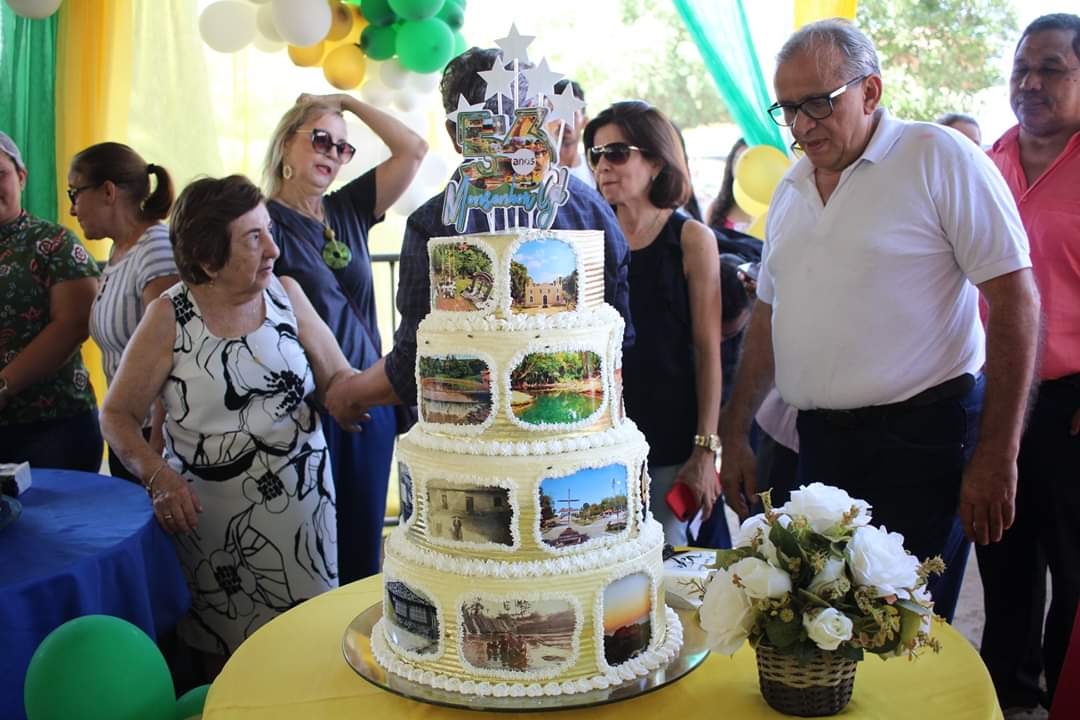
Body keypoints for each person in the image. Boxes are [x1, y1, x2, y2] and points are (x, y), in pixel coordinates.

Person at [718, 19, 1040, 624]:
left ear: (870, 92)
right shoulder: (791, 188)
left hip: (923, 440)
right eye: (787, 108)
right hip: (820, 445)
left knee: (900, 627)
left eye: (818, 102)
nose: (801, 124)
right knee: (825, 625)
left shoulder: (938, 157)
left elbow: (1016, 301)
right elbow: (767, 314)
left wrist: (999, 452)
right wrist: (734, 432)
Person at [101, 175, 358, 676]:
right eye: (253, 238)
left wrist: (387, 383)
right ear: (206, 256)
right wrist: (160, 477)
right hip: (213, 529)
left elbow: (339, 377)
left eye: (268, 231)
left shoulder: (287, 293)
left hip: (303, 512)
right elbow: (116, 415)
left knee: (308, 650)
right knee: (229, 663)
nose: (274, 249)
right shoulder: (169, 316)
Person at [328, 48, 634, 436]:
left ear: (458, 136)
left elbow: (413, 368)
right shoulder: (593, 209)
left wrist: (348, 392)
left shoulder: (434, 222)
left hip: (485, 447)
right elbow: (626, 337)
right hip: (582, 439)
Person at [263, 92, 427, 583]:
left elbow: (413, 149)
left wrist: (348, 104)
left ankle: (354, 641)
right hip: (303, 406)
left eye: (343, 148)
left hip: (368, 400)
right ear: (286, 143)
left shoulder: (347, 209)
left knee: (359, 543)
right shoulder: (261, 222)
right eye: (320, 139)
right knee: (307, 542)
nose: (332, 154)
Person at [979, 13, 1080, 715]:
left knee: (1073, 571)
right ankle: (1006, 695)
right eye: (1022, 69)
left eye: (1051, 68)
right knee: (1003, 558)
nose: (1031, 83)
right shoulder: (989, 160)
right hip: (995, 397)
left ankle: (1061, 694)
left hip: (1073, 403)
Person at [584, 100, 724, 547]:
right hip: (601, 448)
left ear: (657, 161)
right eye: (596, 154)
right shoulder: (588, 240)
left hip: (671, 443)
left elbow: (708, 352)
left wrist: (705, 450)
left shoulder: (691, 239)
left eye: (618, 152)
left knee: (672, 575)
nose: (603, 165)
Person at [68, 142, 180, 482]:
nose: (72, 209)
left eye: (74, 193)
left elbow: (171, 352)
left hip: (151, 437)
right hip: (129, 434)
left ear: (107, 191)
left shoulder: (156, 250)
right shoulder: (121, 251)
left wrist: (157, 443)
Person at [0, 131, 103, 471]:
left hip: (52, 426)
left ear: (21, 177)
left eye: (0, 174)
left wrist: (4, 385)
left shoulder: (55, 242)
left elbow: (73, 324)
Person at [549, 79, 595, 189]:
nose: (563, 121)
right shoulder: (539, 171)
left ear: (585, 122)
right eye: (556, 113)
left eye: (572, 113)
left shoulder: (595, 169)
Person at [706, 137, 751, 231]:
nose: (740, 167)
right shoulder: (715, 209)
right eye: (737, 160)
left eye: (748, 161)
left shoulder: (772, 210)